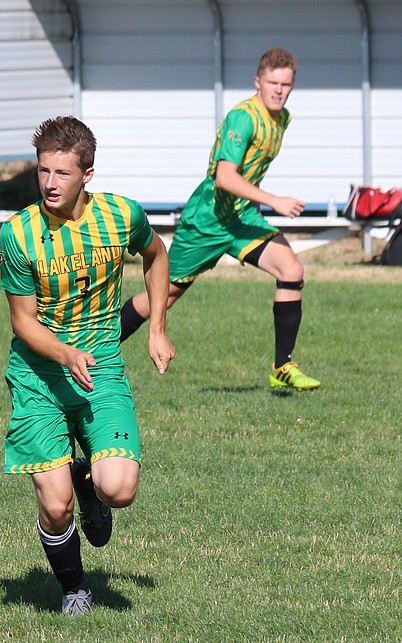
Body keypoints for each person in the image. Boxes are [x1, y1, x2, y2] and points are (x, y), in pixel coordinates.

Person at [0, 116, 175, 616]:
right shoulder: (19, 234)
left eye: (61, 173)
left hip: (100, 372)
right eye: (42, 172)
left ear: (88, 175)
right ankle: (74, 586)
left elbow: (156, 255)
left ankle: (89, 481)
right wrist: (65, 353)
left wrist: (157, 327)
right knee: (56, 507)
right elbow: (23, 323)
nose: (50, 184)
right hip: (39, 378)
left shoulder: (122, 217)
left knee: (118, 489)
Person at [119, 47, 318, 392]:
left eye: (286, 84)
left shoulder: (282, 118)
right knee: (162, 298)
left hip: (240, 218)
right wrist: (275, 201)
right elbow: (225, 177)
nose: (279, 90)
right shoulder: (244, 117)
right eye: (272, 82)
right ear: (258, 81)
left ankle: (282, 365)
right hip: (208, 220)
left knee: (292, 271)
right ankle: (93, 348)